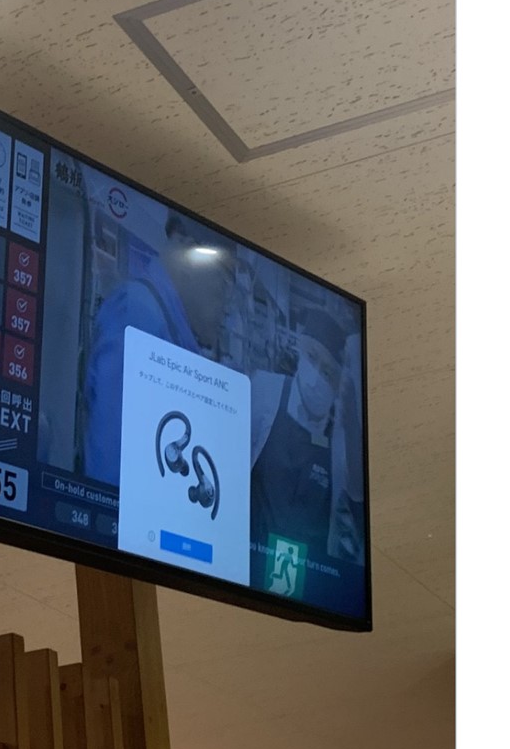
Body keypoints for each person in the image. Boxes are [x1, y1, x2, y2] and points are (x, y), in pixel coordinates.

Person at [83, 213, 235, 486]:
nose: (228, 308)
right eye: (226, 283)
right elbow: (114, 469)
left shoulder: (168, 326)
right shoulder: (139, 316)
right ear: (189, 253)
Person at [250, 307, 364, 563]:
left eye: (328, 373)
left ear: (338, 385)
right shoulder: (264, 391)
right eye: (312, 358)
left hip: (307, 574)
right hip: (249, 560)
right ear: (300, 352)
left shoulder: (339, 441)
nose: (317, 377)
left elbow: (356, 495)